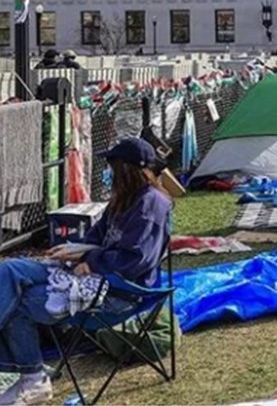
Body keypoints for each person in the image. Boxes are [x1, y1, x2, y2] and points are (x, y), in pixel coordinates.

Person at [0, 138, 171, 406]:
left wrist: (91, 259)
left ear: (125, 169)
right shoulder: (124, 198)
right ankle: (30, 375)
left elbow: (136, 259)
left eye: (112, 166)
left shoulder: (151, 204)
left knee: (18, 303)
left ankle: (33, 379)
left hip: (120, 291)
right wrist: (70, 250)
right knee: (9, 271)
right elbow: (97, 235)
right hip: (88, 275)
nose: (109, 172)